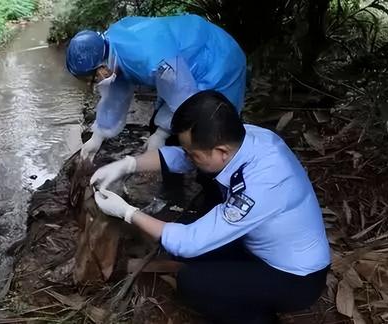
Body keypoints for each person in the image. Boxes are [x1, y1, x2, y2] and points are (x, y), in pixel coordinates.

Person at [90, 90, 331, 323]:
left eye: (192, 153)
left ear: (221, 151)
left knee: (193, 283)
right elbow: (183, 158)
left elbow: (189, 243)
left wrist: (127, 212)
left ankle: (256, 318)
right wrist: (127, 164)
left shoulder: (263, 185)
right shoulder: (247, 138)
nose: (187, 157)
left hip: (296, 277)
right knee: (180, 231)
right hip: (261, 243)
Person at [66, 14, 247, 160]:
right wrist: (98, 136)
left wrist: (162, 134)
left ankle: (213, 188)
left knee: (207, 132)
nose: (94, 84)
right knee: (159, 127)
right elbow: (115, 94)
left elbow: (185, 99)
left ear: (101, 67)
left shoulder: (152, 59)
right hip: (179, 64)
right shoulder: (111, 52)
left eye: (92, 79)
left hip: (216, 60)